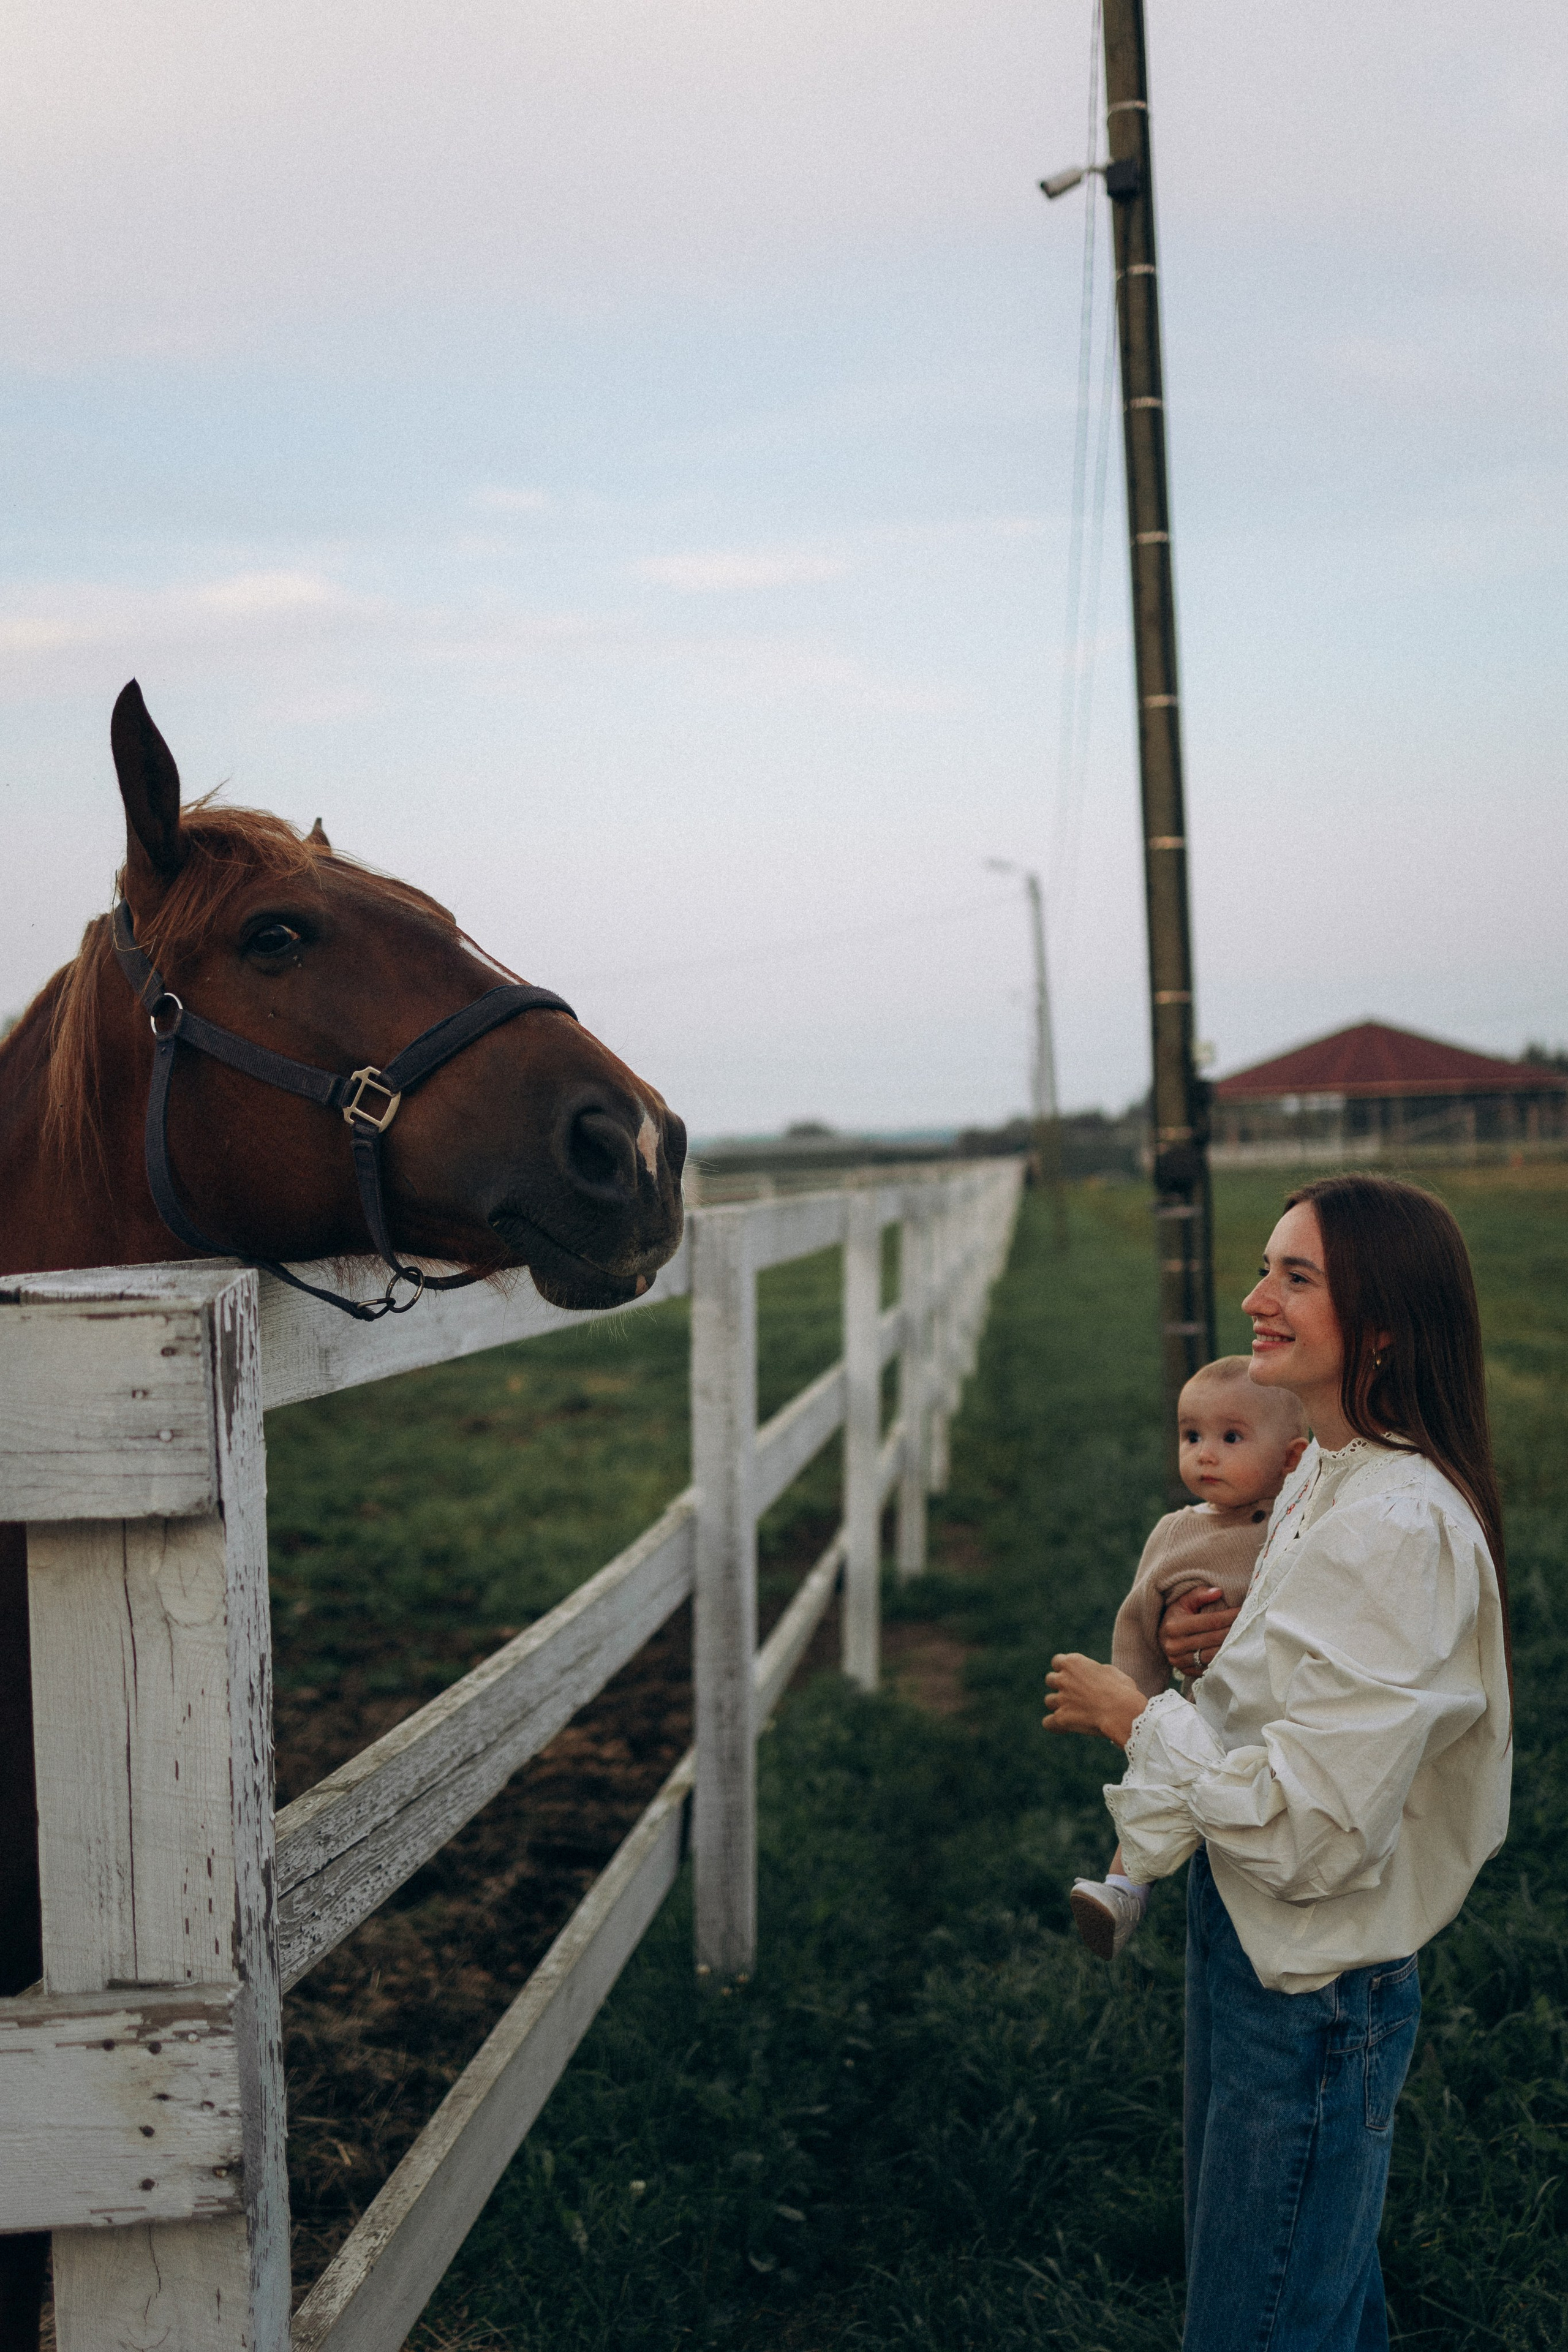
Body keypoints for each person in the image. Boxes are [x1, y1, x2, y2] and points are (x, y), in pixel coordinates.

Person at [1044, 1175, 1512, 2352]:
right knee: (1313, 2301)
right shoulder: (1318, 1476)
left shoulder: (1397, 1524)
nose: (1254, 1298)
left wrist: (1132, 1716)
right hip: (1250, 1935)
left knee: (1258, 2327)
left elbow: (1315, 1831)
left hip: (1310, 1984)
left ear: (1386, 1325)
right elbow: (1306, 1688)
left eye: (1296, 1278)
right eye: (1265, 1267)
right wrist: (1220, 1644)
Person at [1070, 1357, 1308, 1961]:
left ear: (1290, 1459)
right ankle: (1124, 1890)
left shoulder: (1299, 1524)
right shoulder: (1177, 1533)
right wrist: (1138, 1705)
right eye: (1191, 1436)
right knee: (1155, 1785)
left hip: (1281, 1719)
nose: (1205, 1454)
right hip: (1199, 1710)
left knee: (1252, 1819)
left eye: (1230, 1438)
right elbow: (1138, 1622)